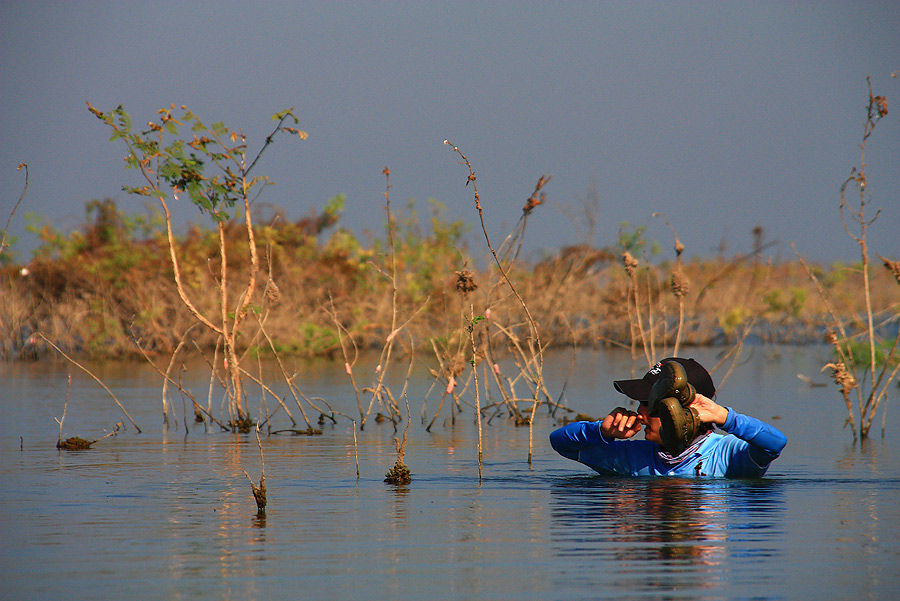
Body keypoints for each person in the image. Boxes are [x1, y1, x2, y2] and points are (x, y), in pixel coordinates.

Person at [549, 357, 787, 478]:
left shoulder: (726, 454)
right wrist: (601, 431)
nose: (640, 412)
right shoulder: (633, 458)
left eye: (650, 404)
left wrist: (725, 418)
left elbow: (774, 444)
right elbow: (561, 444)